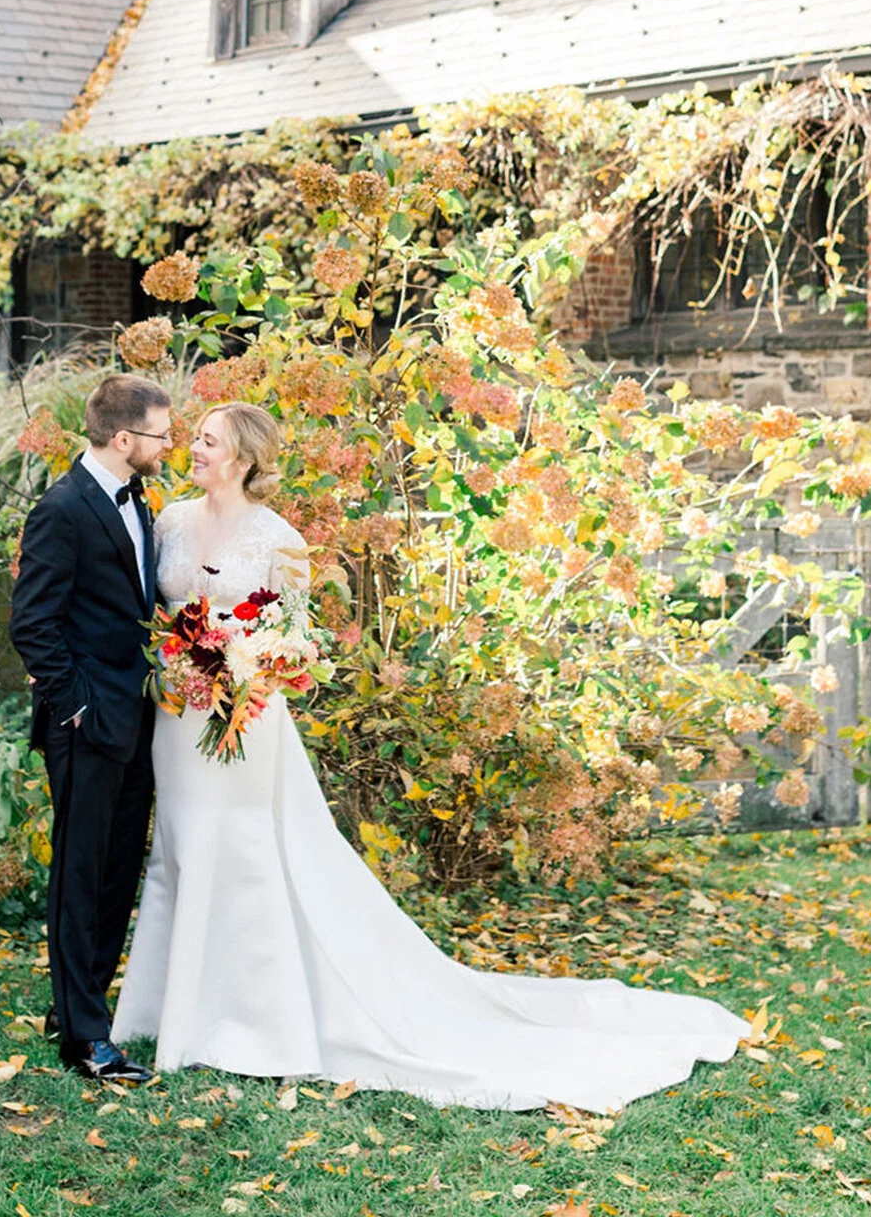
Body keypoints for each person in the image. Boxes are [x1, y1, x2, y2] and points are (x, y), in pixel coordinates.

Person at [112, 401, 748, 1111]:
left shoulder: (280, 539)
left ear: (244, 459)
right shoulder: (168, 521)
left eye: (207, 441)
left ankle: (259, 1024)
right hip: (178, 716)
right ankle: (168, 1013)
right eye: (194, 438)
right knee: (181, 853)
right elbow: (157, 615)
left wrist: (247, 665)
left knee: (245, 856)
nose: (193, 449)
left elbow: (295, 642)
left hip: (246, 720)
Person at [9, 371, 172, 1083]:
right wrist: (74, 706)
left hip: (137, 717)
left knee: (115, 871)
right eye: (163, 436)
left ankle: (80, 1004)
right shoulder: (63, 508)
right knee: (81, 875)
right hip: (86, 722)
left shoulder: (139, 500)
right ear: (125, 437)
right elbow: (32, 625)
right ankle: (83, 1039)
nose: (170, 447)